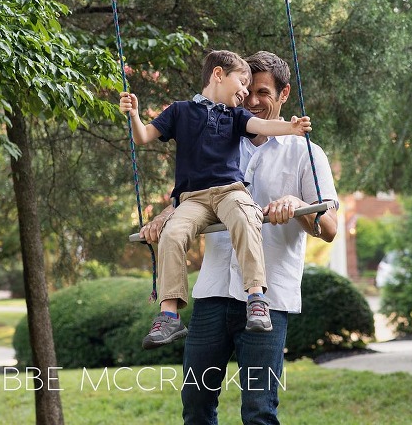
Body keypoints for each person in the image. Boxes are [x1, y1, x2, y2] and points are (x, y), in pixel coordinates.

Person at [138, 50, 339, 424]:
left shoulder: (305, 153)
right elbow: (192, 195)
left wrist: (297, 204)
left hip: (268, 300)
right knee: (196, 407)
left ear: (283, 94)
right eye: (246, 90)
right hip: (212, 294)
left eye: (262, 91)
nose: (252, 99)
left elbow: (329, 229)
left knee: (259, 411)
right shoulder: (222, 136)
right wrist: (167, 214)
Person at [119, 50, 311, 350]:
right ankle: (169, 315)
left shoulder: (236, 116)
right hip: (192, 198)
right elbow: (142, 137)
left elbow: (263, 127)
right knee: (172, 233)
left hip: (230, 191)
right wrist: (133, 115)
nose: (246, 92)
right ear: (218, 75)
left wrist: (292, 128)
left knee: (246, 218)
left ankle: (256, 298)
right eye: (242, 82)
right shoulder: (179, 111)